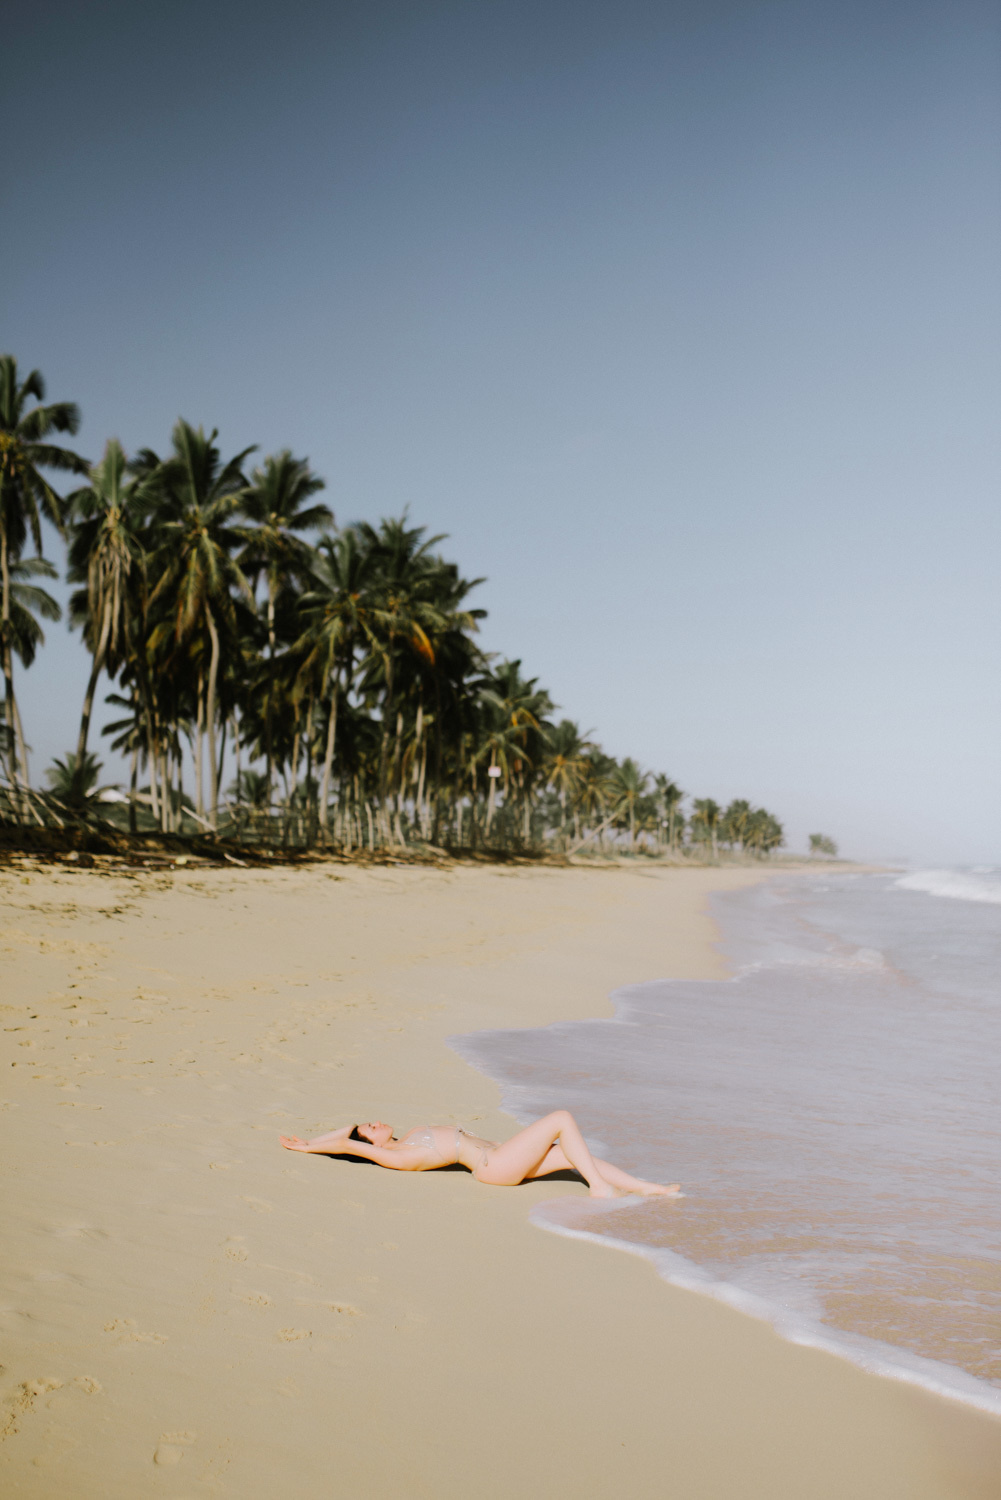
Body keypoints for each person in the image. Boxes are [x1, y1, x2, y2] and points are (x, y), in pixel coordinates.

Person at [279, 1110, 680, 1198]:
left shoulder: (410, 1138)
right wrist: (310, 1145)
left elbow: (351, 1138)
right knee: (561, 1119)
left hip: (501, 1156)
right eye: (368, 1128)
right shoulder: (395, 1157)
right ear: (370, 1145)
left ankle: (647, 1188)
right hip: (494, 1166)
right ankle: (598, 1188)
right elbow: (346, 1143)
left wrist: (339, 1137)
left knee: (564, 1152)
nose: (374, 1122)